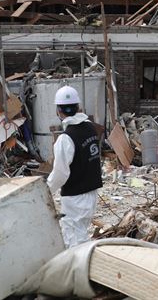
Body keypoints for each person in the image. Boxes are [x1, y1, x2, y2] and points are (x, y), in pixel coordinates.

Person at [47, 86, 103, 248]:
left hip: (75, 196)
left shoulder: (66, 138)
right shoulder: (90, 128)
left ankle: (80, 270)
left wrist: (46, 190)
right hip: (91, 192)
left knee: (74, 239)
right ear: (78, 107)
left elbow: (60, 173)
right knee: (81, 232)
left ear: (58, 111)